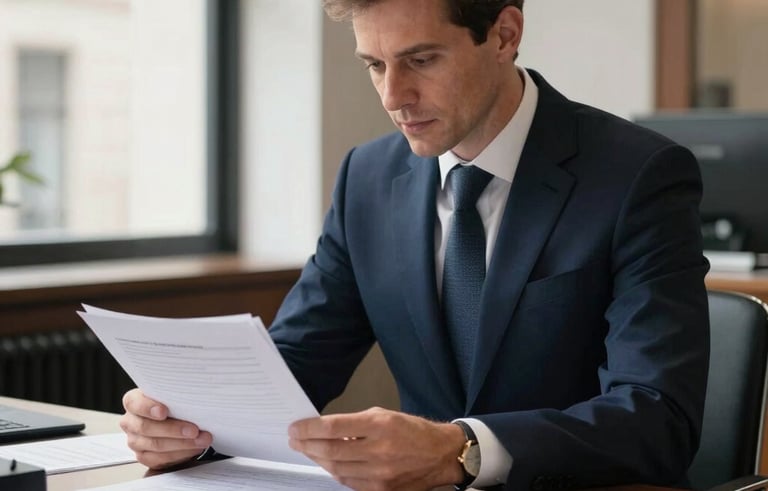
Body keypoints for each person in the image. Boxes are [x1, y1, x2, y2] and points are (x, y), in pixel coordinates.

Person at [120, 0, 710, 490]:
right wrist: (190, 425)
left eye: (420, 60)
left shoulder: (638, 175)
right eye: (373, 65)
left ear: (505, 35)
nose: (392, 96)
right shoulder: (367, 179)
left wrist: (463, 450)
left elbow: (658, 418)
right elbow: (296, 364)